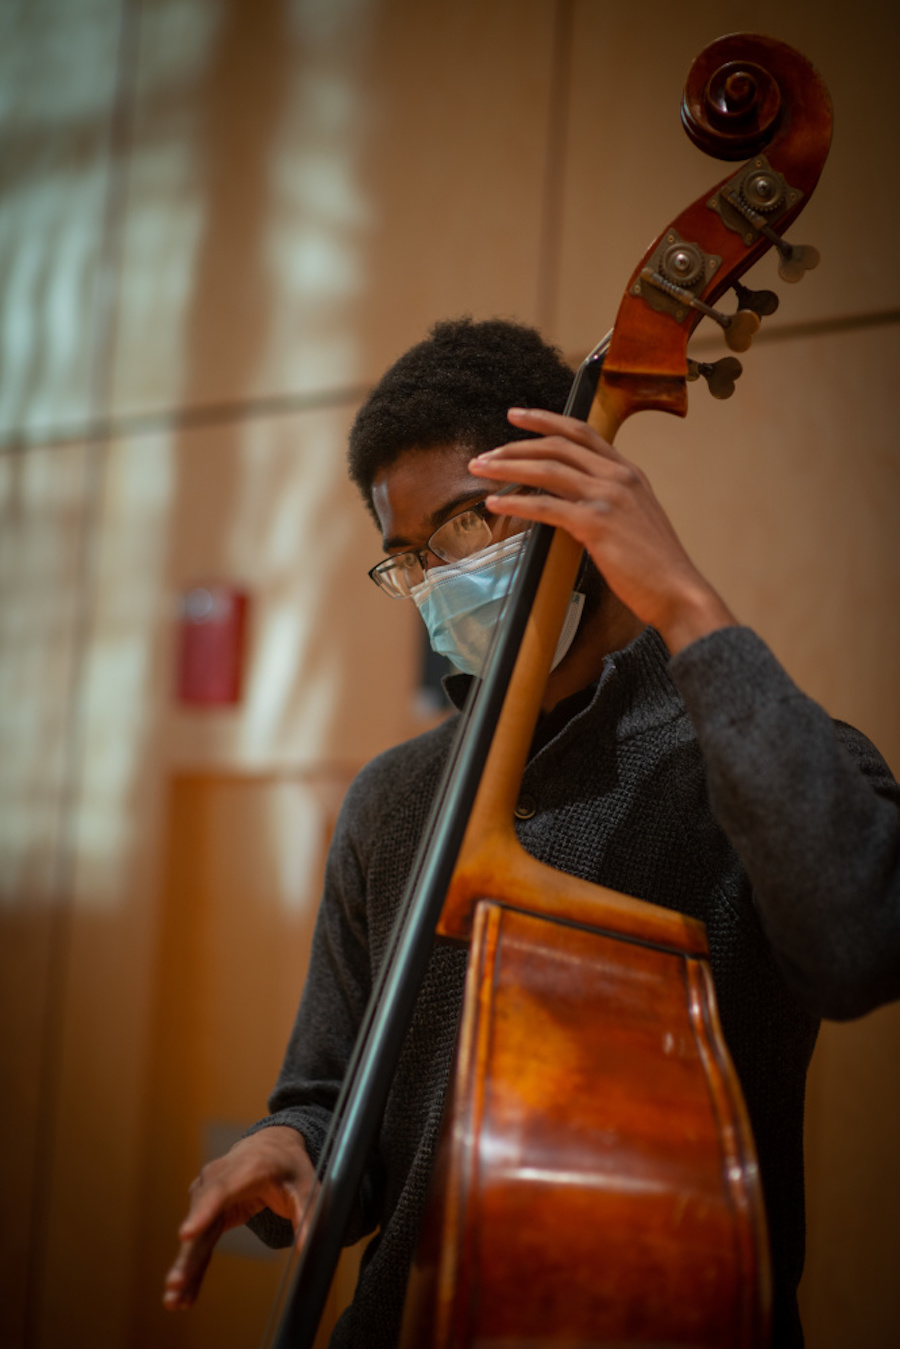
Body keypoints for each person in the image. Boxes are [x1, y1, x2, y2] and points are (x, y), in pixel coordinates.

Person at [164, 318, 900, 1347]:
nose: (436, 576)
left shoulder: (756, 754)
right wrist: (292, 1143)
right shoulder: (394, 795)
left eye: (464, 528)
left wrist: (686, 603)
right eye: (408, 555)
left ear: (569, 494)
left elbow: (860, 945)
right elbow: (331, 1098)